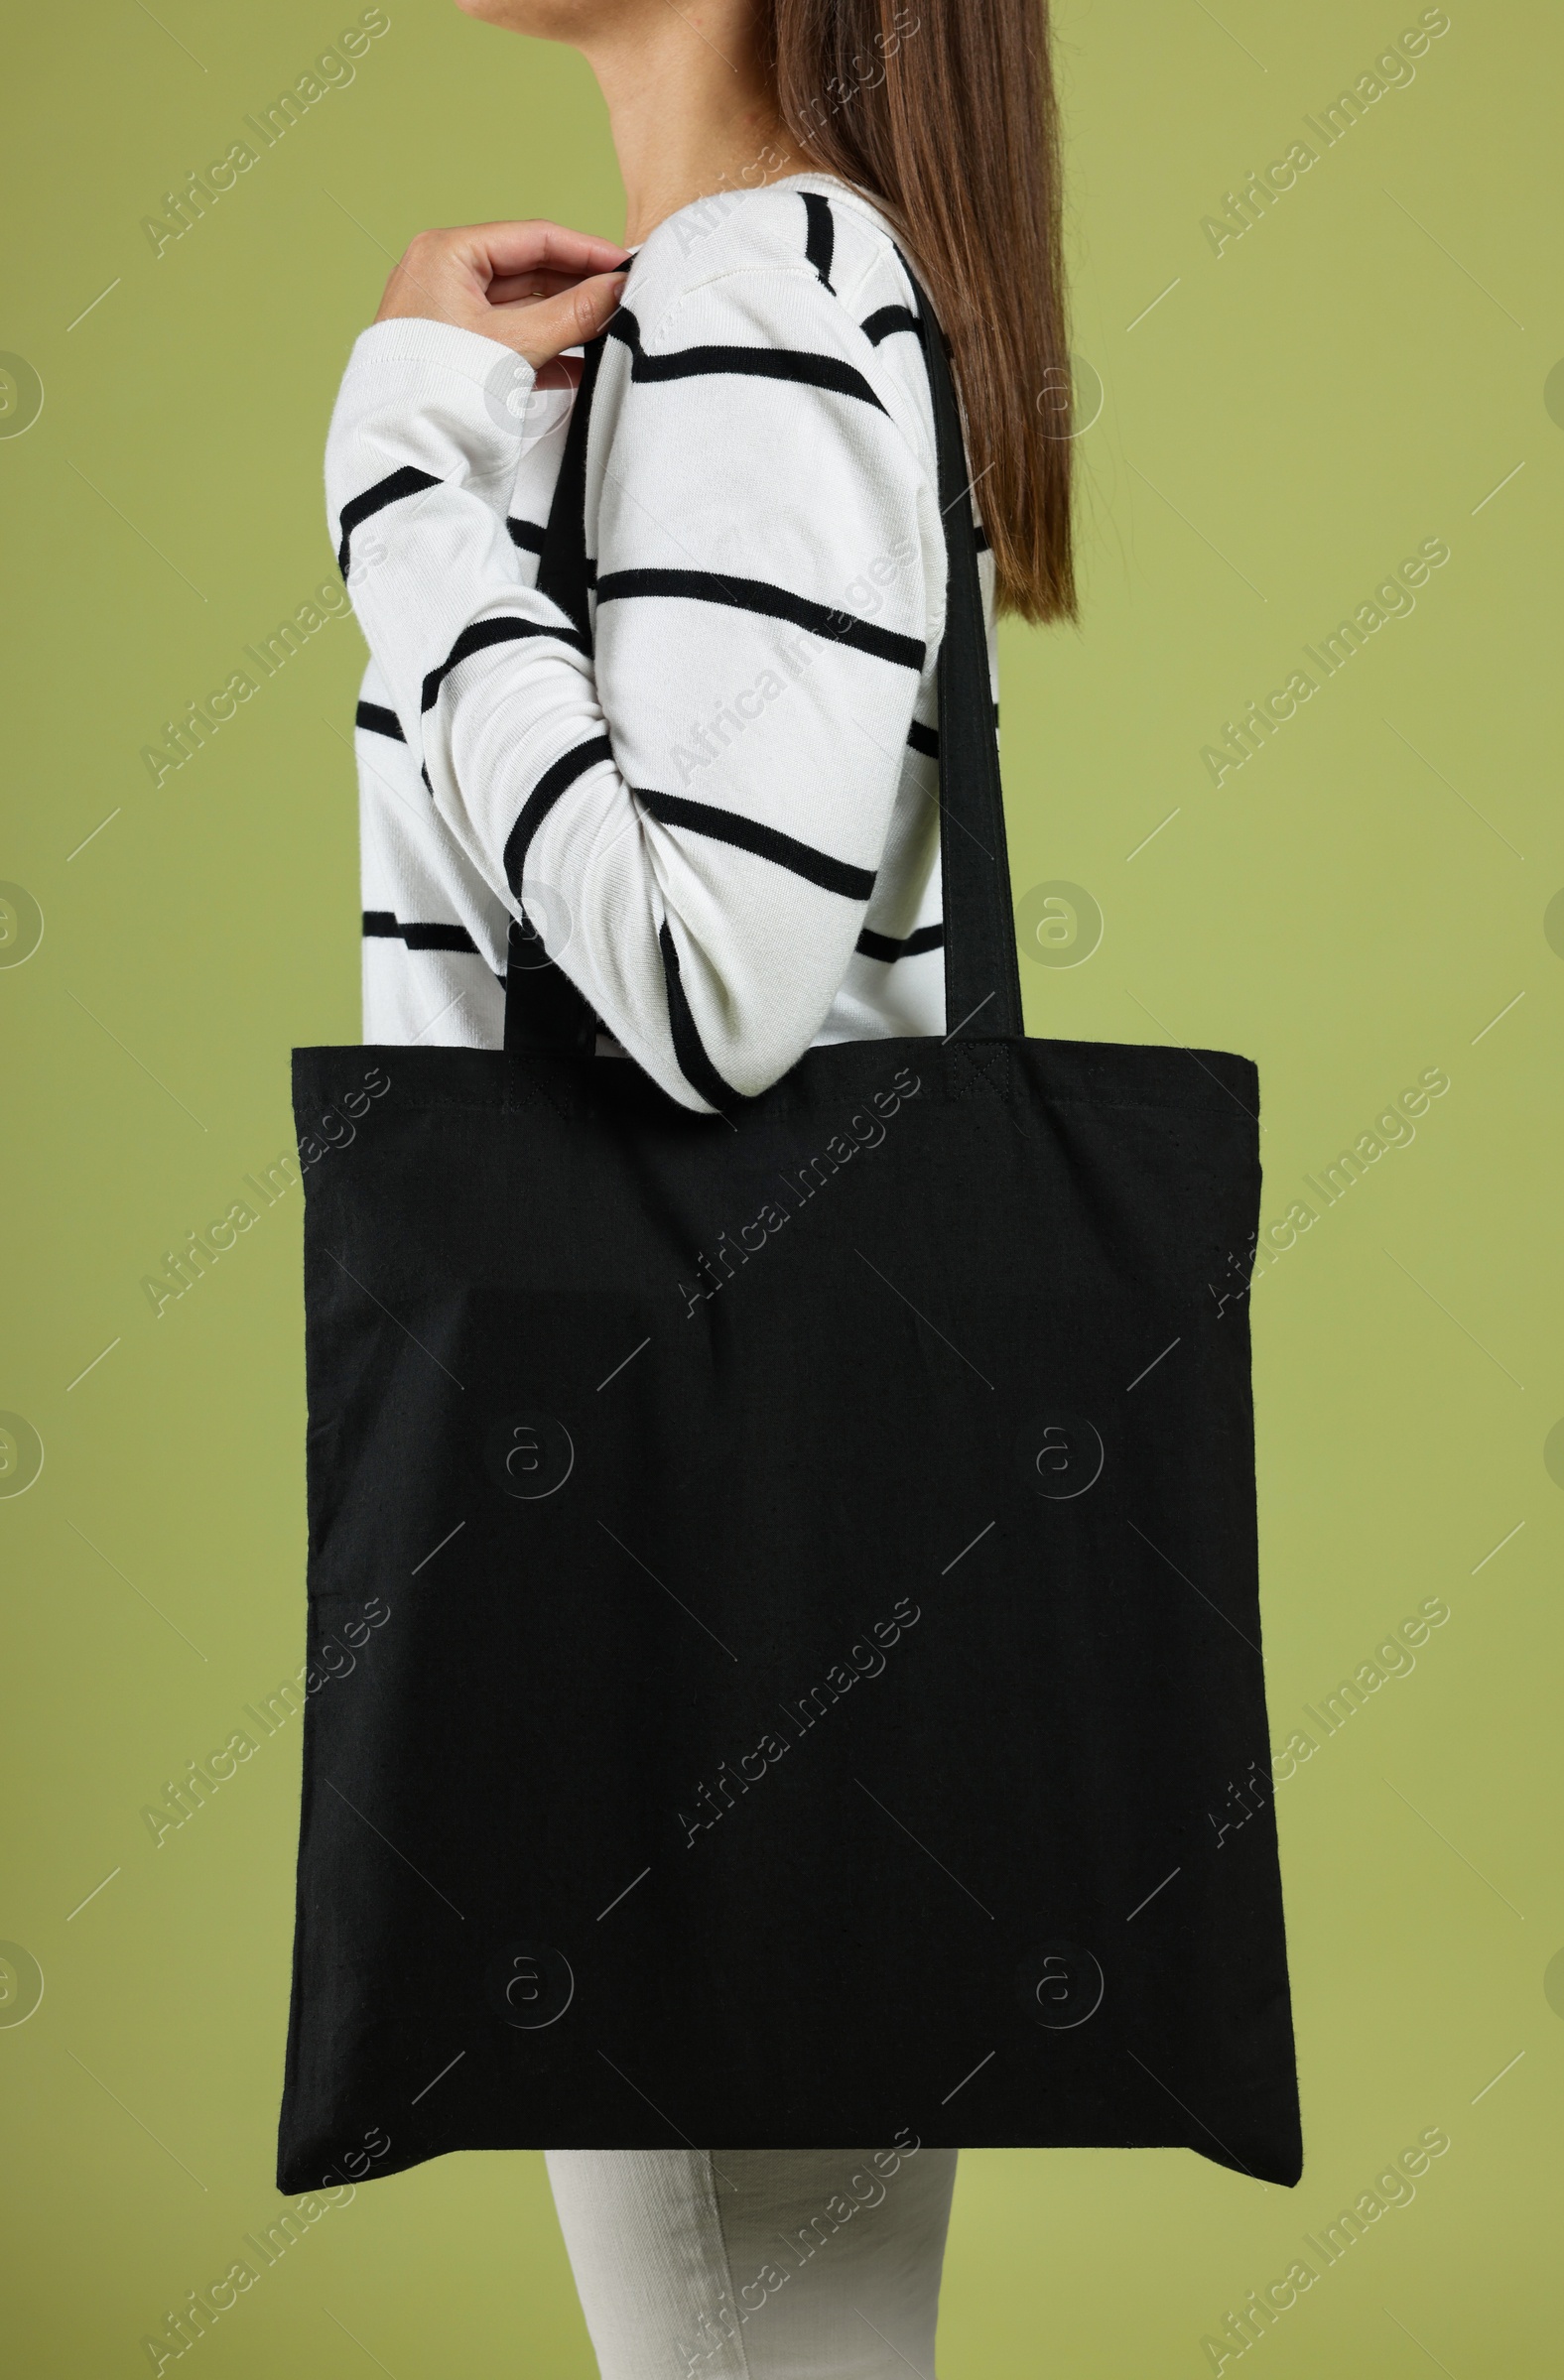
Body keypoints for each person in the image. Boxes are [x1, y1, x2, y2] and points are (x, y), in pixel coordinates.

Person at [326, 0, 1075, 2367]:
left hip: (666, 1522)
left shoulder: (760, 293)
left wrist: (404, 495)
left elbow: (700, 982)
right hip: (745, 1481)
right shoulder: (741, 296)